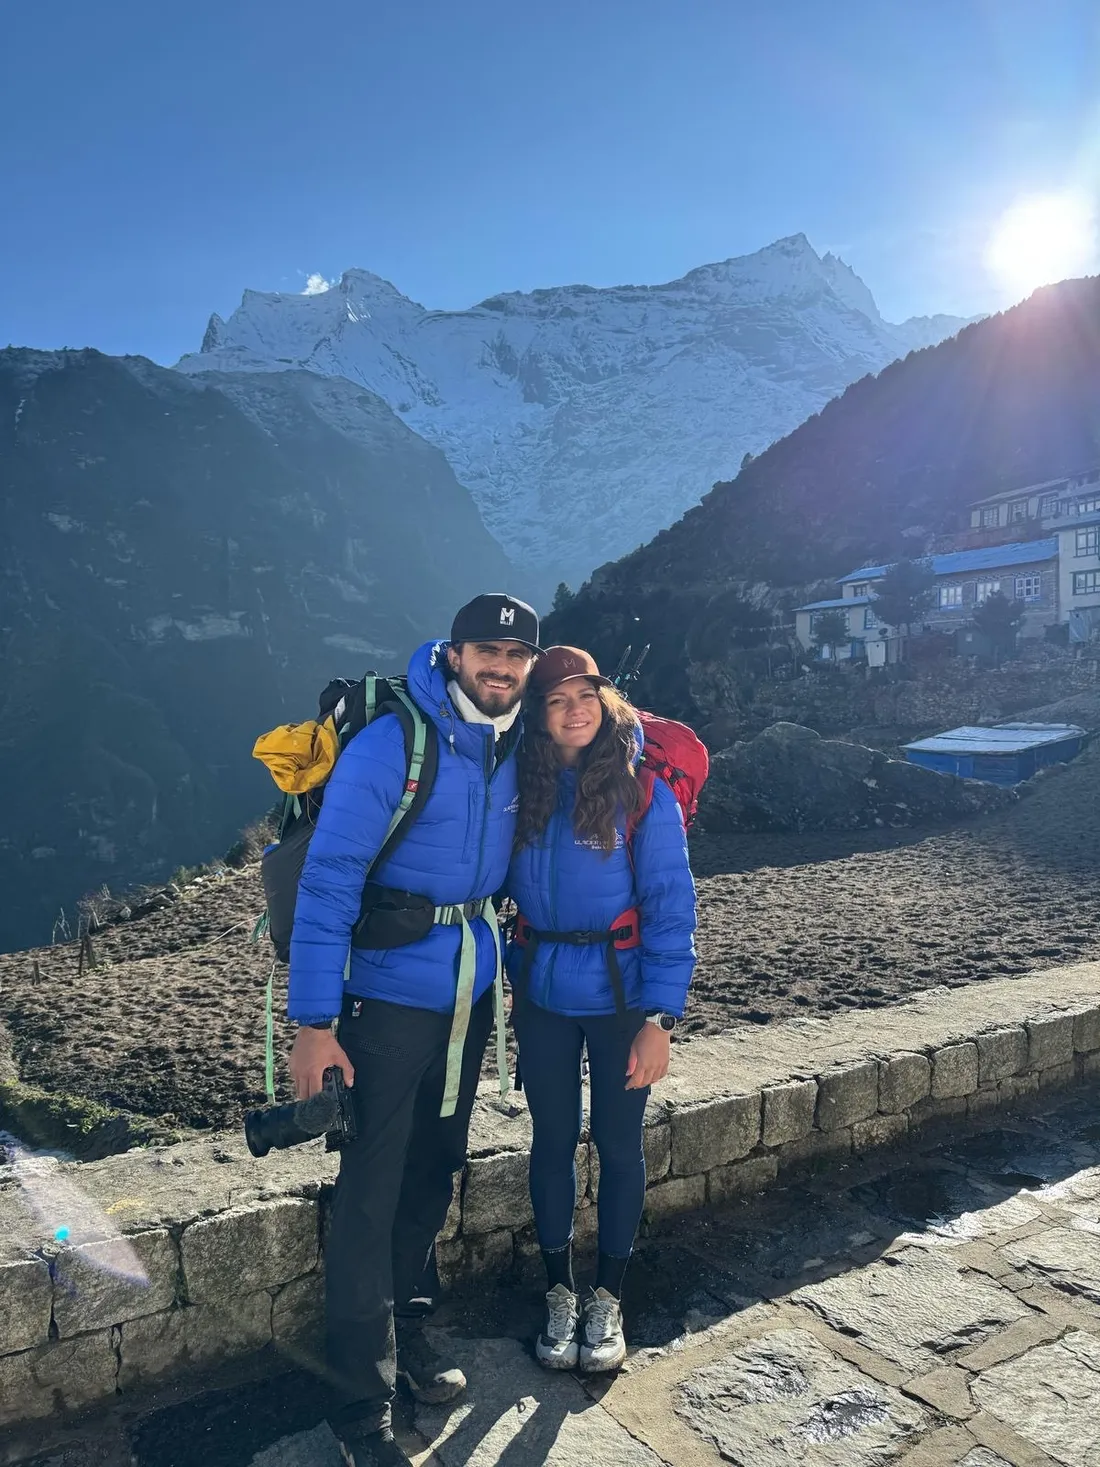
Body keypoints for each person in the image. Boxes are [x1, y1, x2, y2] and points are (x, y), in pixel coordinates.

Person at [287, 594, 540, 1467]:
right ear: (455, 652)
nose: (500, 666)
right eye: (487, 650)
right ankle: (362, 1402)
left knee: (433, 1171)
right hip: (385, 1003)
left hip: (469, 1002)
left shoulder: (513, 747)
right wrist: (313, 1024)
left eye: (516, 653)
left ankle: (410, 1338)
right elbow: (326, 885)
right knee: (370, 1191)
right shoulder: (394, 742)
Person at [505, 646, 696, 1374]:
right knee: (551, 1142)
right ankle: (560, 1289)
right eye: (557, 700)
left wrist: (661, 1018)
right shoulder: (520, 787)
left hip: (622, 1002)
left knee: (619, 1147)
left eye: (586, 694)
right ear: (539, 716)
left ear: (607, 701)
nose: (574, 708)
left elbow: (672, 906)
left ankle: (609, 1296)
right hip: (544, 998)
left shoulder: (644, 788)